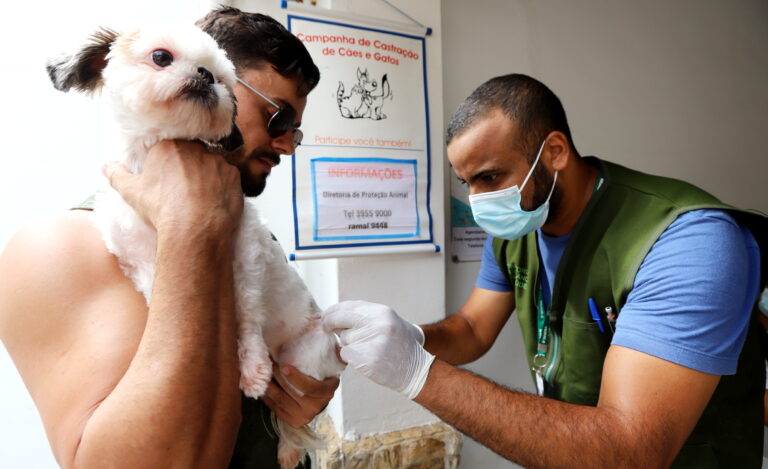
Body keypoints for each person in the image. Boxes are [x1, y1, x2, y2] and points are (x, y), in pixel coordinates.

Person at [324, 74, 767, 468]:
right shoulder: (517, 230)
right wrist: (407, 338)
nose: (478, 201)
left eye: (491, 177)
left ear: (554, 151)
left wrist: (417, 372)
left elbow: (633, 451)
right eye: (468, 182)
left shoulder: (688, 241)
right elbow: (472, 329)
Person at [0, 7, 337, 469]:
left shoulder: (251, 234)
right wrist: (192, 229)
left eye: (293, 132)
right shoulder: (56, 247)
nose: (284, 145)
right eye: (276, 118)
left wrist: (303, 397)